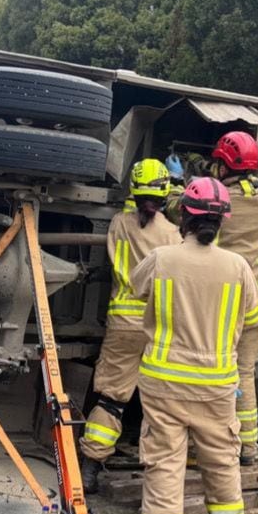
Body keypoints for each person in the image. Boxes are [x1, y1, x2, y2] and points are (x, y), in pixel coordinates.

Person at [129, 177, 258, 514]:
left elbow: (137, 290)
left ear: (184, 215)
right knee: (221, 457)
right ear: (222, 222)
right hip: (217, 385)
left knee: (165, 460)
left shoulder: (162, 258)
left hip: (164, 381)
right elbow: (254, 318)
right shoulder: (238, 267)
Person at [79, 159, 181, 492]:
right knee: (161, 403)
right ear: (166, 195)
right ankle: (159, 475)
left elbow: (133, 210)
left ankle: (91, 467)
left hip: (122, 323)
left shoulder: (118, 224)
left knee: (111, 397)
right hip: (159, 326)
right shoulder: (173, 234)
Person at [181, 131, 258, 465]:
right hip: (253, 299)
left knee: (205, 370)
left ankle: (198, 447)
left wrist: (185, 182)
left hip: (221, 299)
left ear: (224, 163)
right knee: (243, 374)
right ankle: (247, 450)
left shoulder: (219, 198)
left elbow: (195, 216)